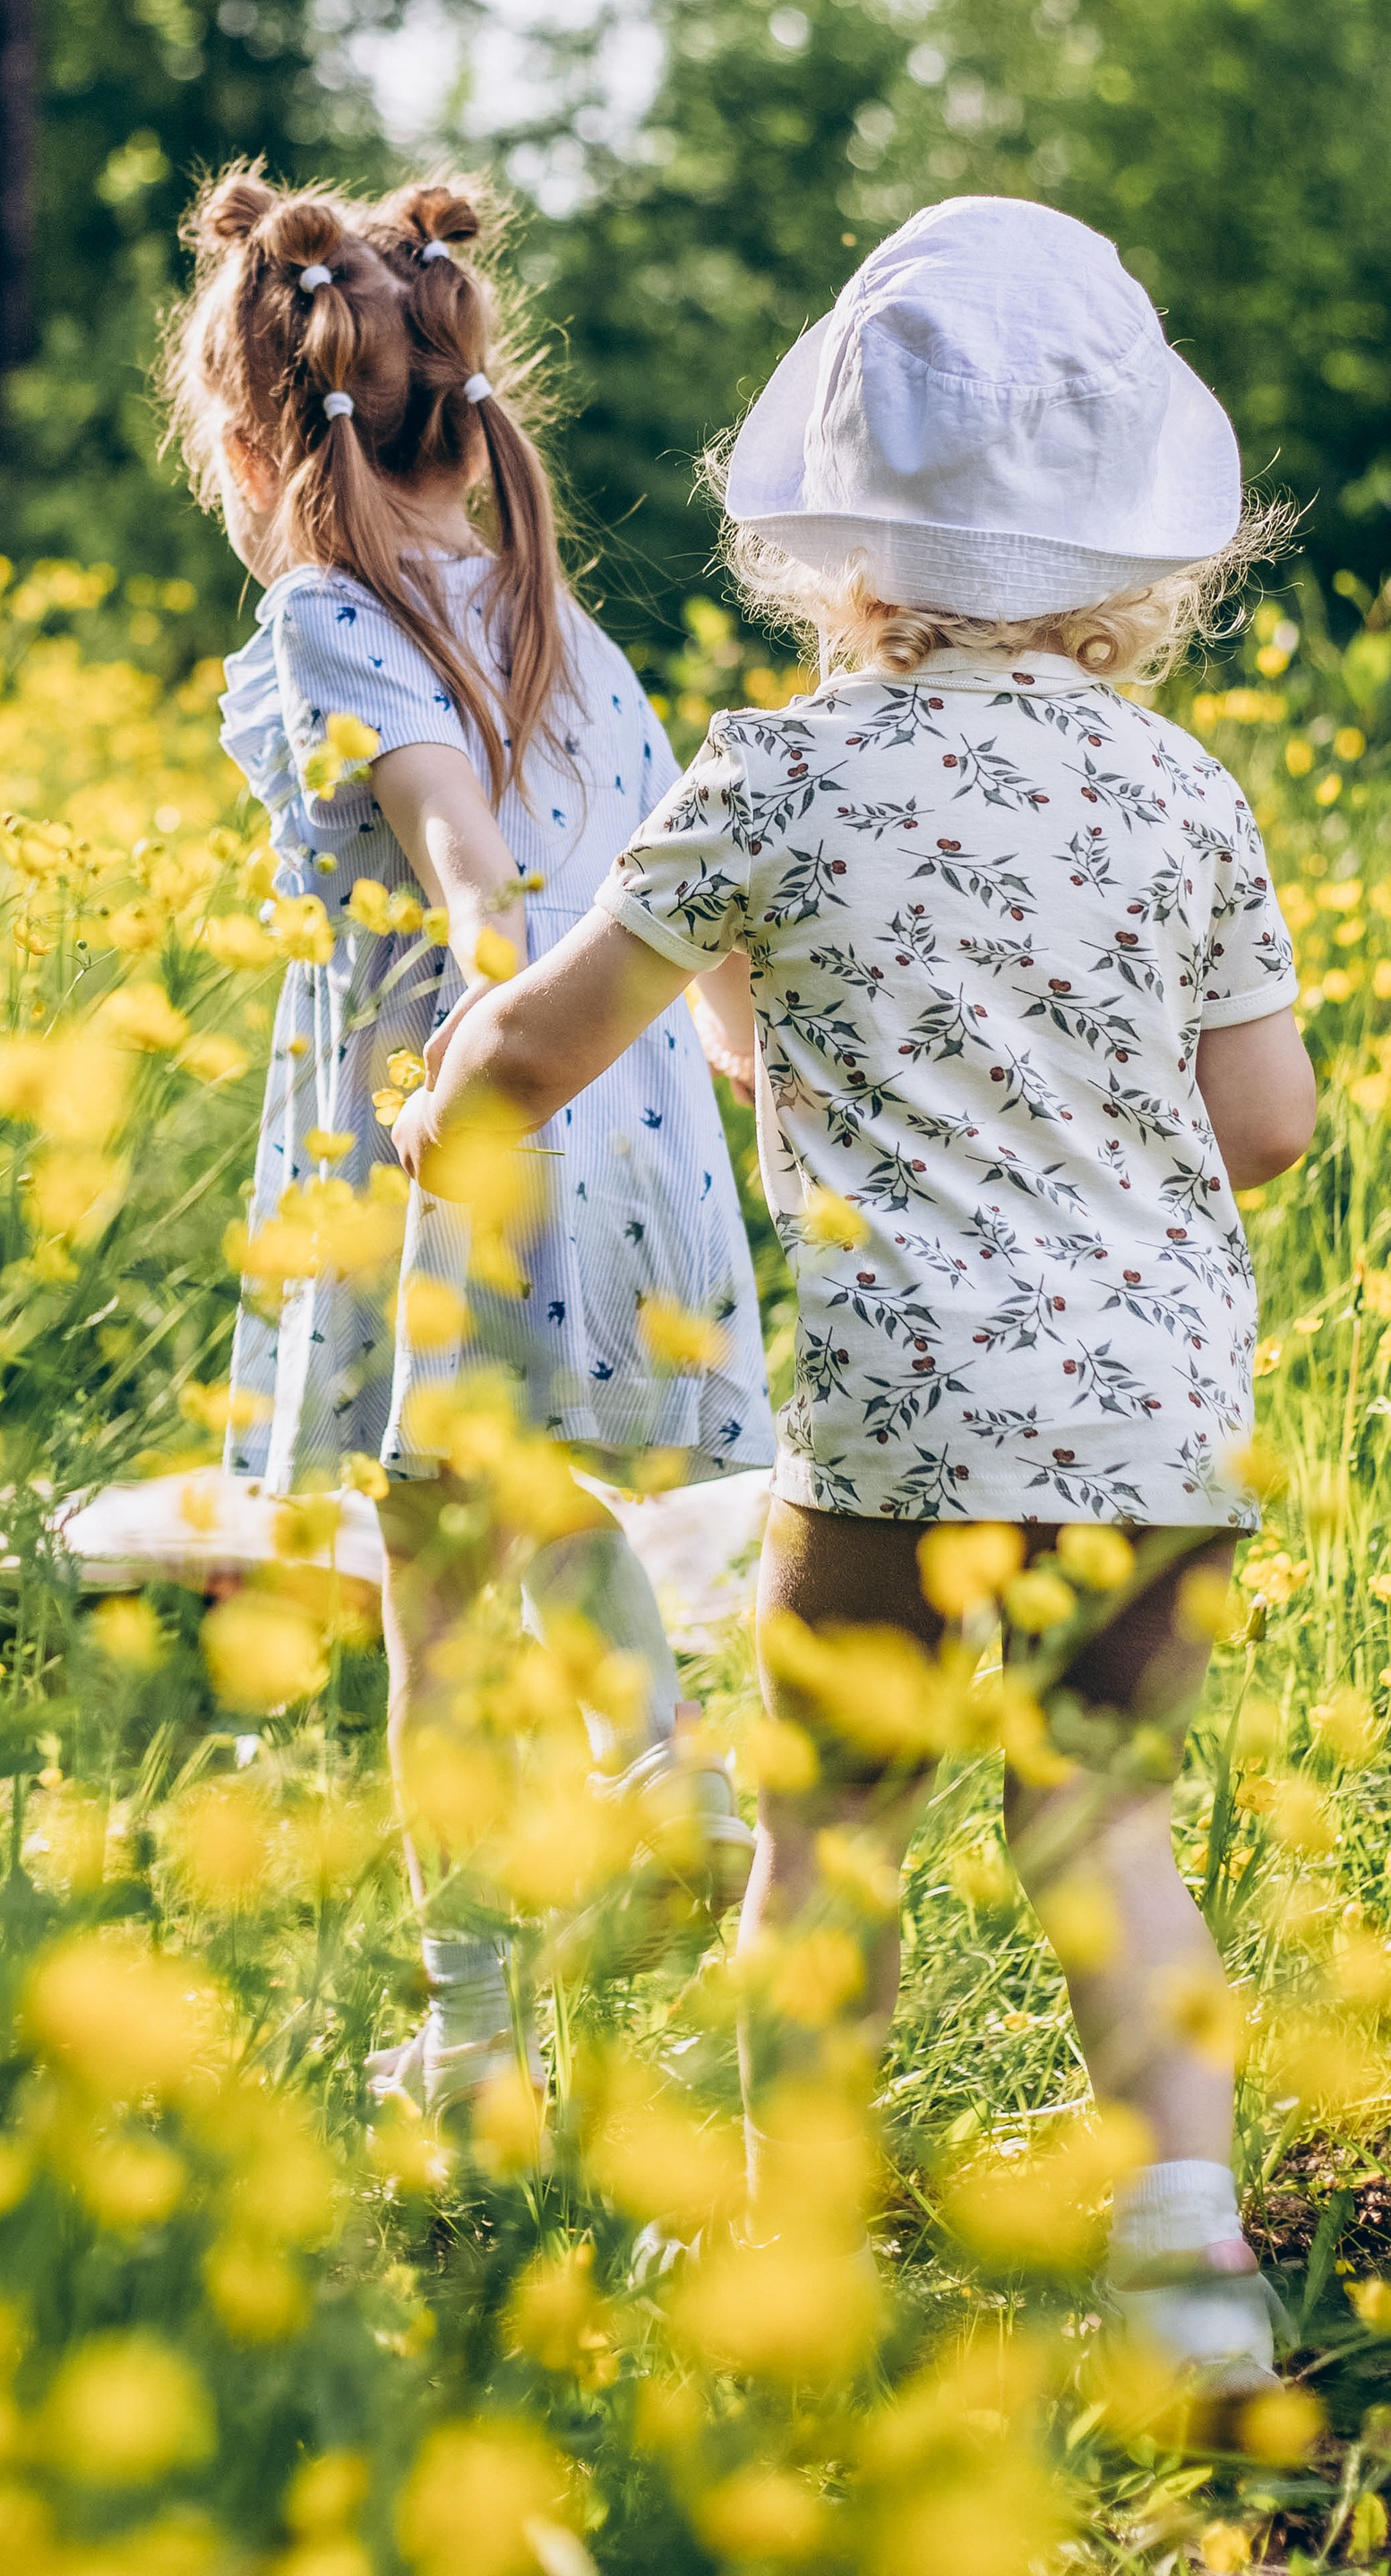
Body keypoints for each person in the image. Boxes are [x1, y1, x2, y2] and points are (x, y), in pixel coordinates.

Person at [392, 194, 1312, 2394]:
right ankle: (1188, 2275)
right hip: (1147, 1410)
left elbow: (544, 1047)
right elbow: (1264, 1123)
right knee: (1104, 1825)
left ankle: (789, 2256)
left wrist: (441, 1105)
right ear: (1131, 548)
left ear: (832, 536)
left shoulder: (777, 772)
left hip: (898, 1409)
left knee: (822, 1837)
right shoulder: (1178, 789)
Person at [160, 162, 774, 2109]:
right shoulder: (557, 621)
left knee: (430, 1589)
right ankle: (657, 1769)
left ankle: (473, 2039)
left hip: (469, 1117)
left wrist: (459, 1078)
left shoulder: (327, 617)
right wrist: (753, 1080)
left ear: (250, 444)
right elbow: (689, 899)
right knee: (509, 1496)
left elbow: (469, 868)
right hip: (621, 1112)